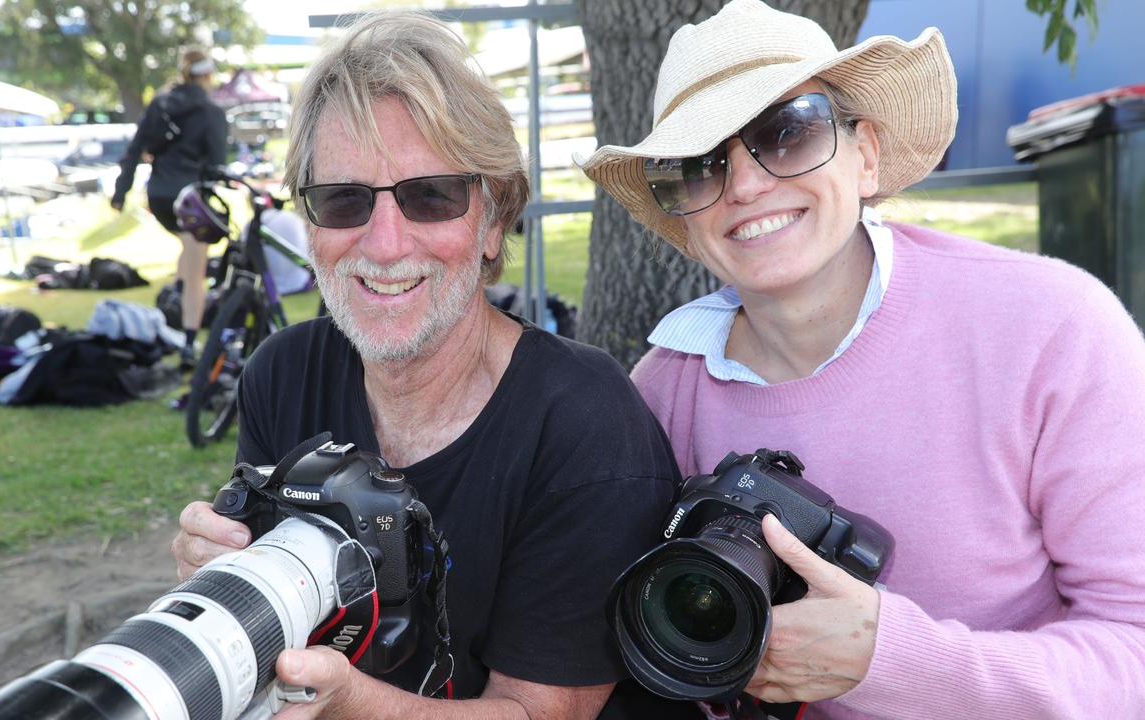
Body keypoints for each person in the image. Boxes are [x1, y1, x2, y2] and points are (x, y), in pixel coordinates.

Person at [577, 1, 1145, 718]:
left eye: (786, 133)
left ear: (867, 154)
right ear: (684, 217)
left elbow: (1135, 649)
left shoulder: (1054, 329)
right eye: (700, 164)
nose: (747, 185)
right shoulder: (663, 393)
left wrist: (888, 660)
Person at [170, 11, 682, 719]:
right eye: (343, 200)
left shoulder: (586, 425)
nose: (384, 244)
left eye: (430, 195)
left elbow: (538, 714)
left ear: (494, 217)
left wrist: (349, 702)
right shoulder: (281, 376)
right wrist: (230, 577)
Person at [111, 46, 228, 367]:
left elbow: (135, 149)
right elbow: (218, 165)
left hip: (159, 195)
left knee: (186, 252)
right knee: (197, 274)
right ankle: (189, 344)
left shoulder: (161, 103)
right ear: (207, 74)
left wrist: (120, 193)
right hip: (190, 197)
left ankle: (175, 297)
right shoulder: (210, 112)